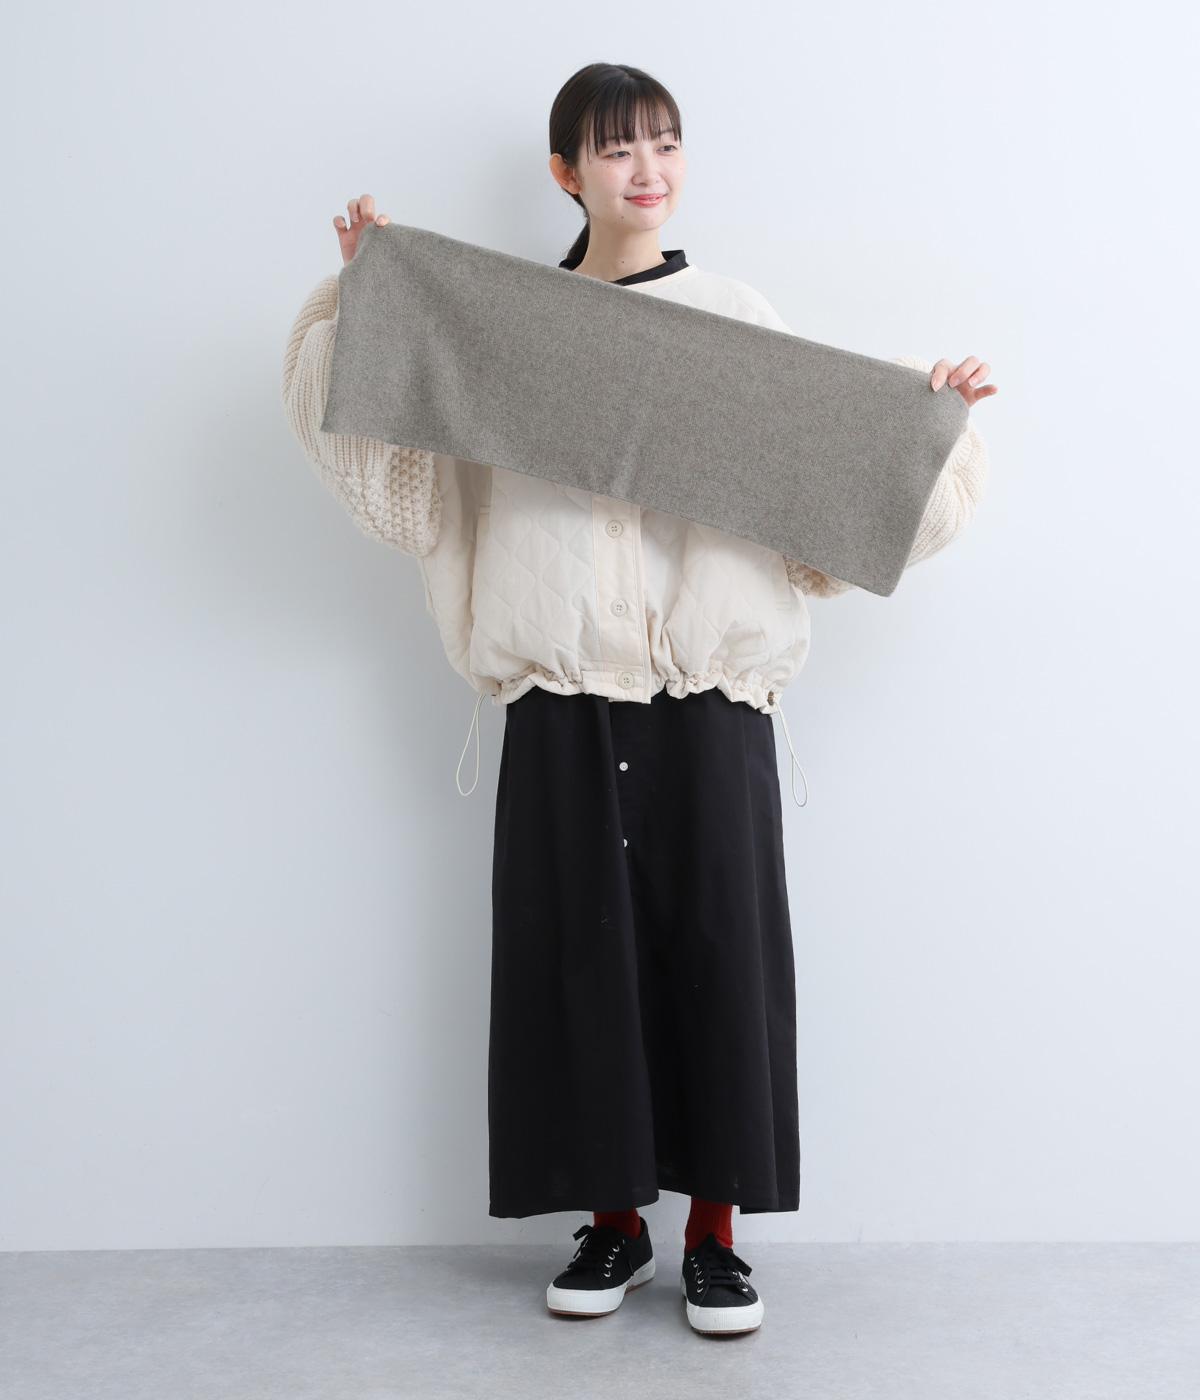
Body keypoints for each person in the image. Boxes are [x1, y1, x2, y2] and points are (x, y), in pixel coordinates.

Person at [281, 61, 996, 1338]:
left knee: (721, 954)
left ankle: (715, 1234)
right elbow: (404, 481)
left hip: (710, 695)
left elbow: (822, 489)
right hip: (564, 691)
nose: (646, 169)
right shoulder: (501, 326)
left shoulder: (734, 318)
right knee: (578, 961)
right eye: (616, 149)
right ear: (567, 173)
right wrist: (373, 303)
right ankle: (614, 1221)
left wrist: (918, 426)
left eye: (664, 142)